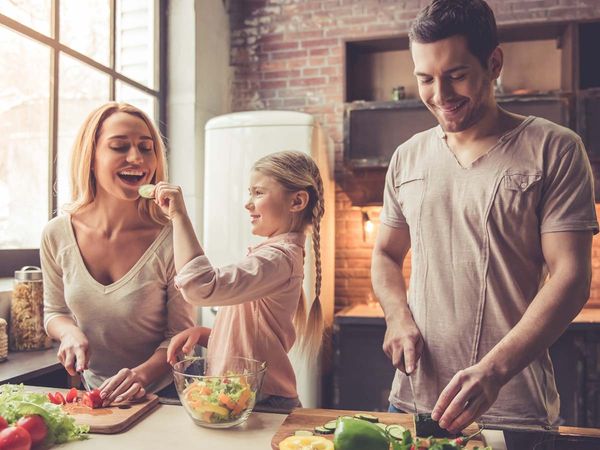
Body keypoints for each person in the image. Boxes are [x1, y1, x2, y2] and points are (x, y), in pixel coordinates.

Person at [371, 0, 598, 433]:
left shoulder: (555, 149)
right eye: (425, 79)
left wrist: (493, 371)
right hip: (414, 400)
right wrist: (396, 315)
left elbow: (571, 279)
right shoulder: (407, 157)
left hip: (512, 407)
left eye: (456, 75)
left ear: (494, 62)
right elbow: (384, 253)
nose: (441, 95)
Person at [42, 102, 195, 406]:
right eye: (119, 146)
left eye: (146, 147)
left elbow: (181, 337)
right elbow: (54, 312)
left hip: (166, 397)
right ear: (91, 157)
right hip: (95, 394)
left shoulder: (171, 238)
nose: (137, 158)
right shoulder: (56, 234)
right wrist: (69, 333)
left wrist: (140, 376)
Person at [156, 150, 325, 410]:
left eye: (258, 193)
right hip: (249, 399)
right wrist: (205, 335)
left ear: (297, 202)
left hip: (264, 403)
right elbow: (253, 338)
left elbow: (200, 287)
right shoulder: (276, 257)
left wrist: (179, 216)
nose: (248, 203)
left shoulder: (278, 258)